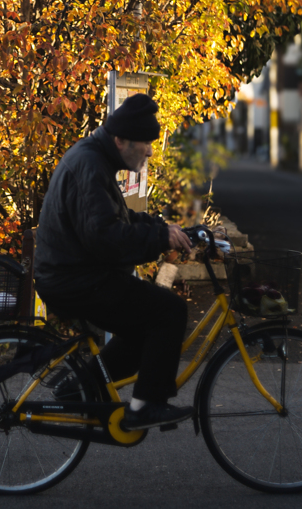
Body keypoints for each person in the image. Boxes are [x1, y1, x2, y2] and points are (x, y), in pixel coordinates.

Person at [33, 93, 194, 431]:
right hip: (75, 279)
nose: (150, 151)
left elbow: (116, 221)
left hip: (75, 274)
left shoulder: (94, 158)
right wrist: (159, 239)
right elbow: (105, 237)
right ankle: (146, 407)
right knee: (169, 311)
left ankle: (79, 389)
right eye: (145, 143)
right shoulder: (90, 165)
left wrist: (164, 230)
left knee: (142, 326)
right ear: (120, 140)